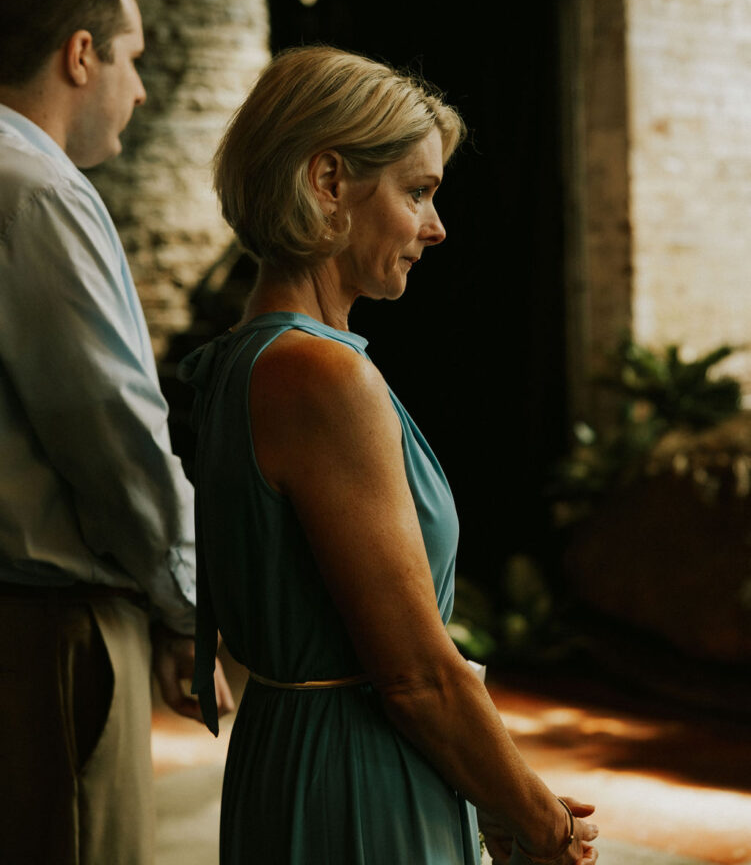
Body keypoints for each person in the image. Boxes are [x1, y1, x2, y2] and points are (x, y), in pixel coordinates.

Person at [180, 45, 599, 865]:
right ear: (329, 182)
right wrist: (541, 826)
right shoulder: (323, 375)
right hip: (357, 779)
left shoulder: (241, 360)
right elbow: (416, 676)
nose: (436, 228)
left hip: (289, 759)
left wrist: (488, 787)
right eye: (417, 192)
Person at [0, 0, 232, 865]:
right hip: (46, 636)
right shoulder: (38, 191)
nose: (140, 90)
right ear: (81, 54)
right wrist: (188, 609)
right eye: (132, 58)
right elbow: (113, 434)